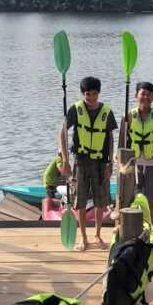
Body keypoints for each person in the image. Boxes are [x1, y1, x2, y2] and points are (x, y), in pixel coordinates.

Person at [59, 76, 116, 251]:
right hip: (81, 160)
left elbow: (110, 138)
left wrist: (110, 163)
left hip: (100, 161)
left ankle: (98, 235)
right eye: (87, 94)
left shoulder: (106, 111)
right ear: (82, 93)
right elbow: (62, 133)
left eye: (94, 94)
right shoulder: (76, 110)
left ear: (98, 93)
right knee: (81, 201)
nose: (91, 98)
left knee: (100, 201)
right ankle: (83, 237)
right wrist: (65, 160)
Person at [124, 81, 153, 219]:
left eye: (149, 94)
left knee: (152, 201)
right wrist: (122, 164)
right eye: (142, 94)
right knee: (132, 199)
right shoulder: (129, 116)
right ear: (136, 95)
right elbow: (122, 141)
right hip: (134, 164)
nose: (146, 97)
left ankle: (150, 228)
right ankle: (134, 229)